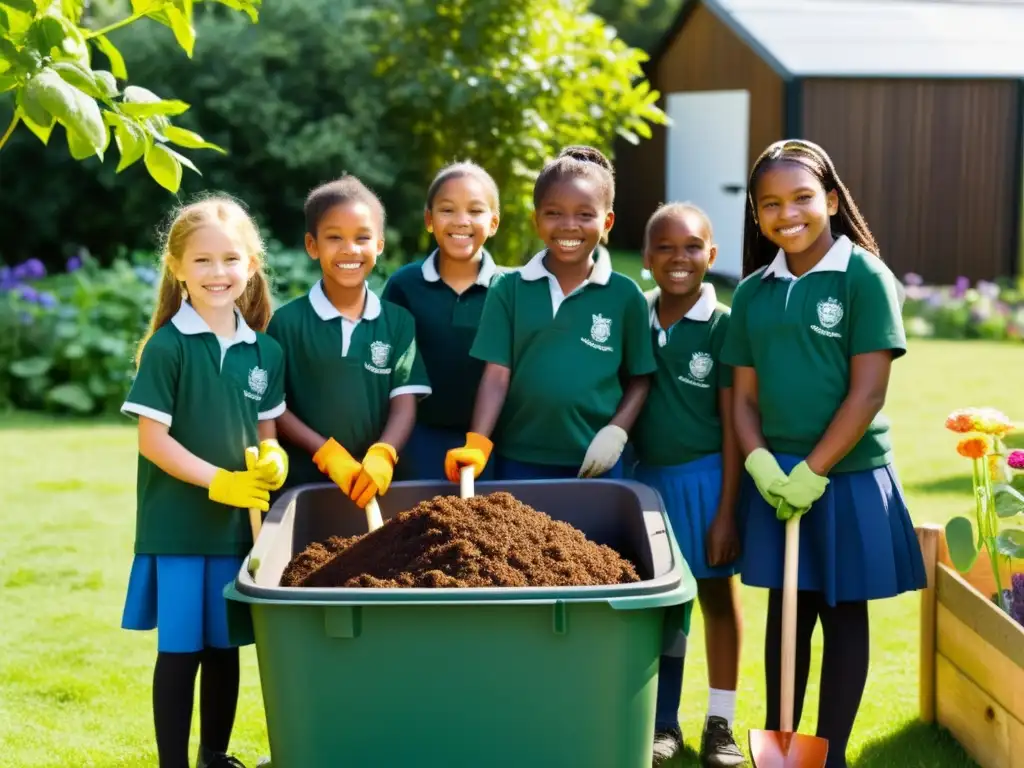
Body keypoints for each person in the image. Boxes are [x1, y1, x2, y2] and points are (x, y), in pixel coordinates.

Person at [721, 139, 927, 768]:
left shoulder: (863, 274)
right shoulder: (753, 292)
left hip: (846, 477)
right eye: (771, 204)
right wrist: (760, 463)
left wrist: (812, 472)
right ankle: (785, 746)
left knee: (841, 611)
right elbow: (743, 400)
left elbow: (867, 393)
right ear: (756, 216)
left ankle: (829, 755)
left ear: (832, 201)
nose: (789, 214)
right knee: (789, 608)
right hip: (776, 476)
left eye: (804, 198)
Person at [120, 196, 288, 768]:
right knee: (181, 651)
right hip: (179, 527)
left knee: (224, 649)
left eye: (230, 260)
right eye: (203, 262)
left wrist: (272, 461)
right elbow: (153, 441)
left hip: (237, 530)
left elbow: (267, 430)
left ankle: (215, 758)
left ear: (251, 265)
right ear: (177, 268)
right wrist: (220, 482)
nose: (218, 273)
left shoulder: (265, 350)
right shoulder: (167, 347)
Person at [444, 145, 656, 483]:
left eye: (585, 215)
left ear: (607, 222)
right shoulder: (508, 289)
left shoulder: (625, 295)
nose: (568, 226)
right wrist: (479, 441)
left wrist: (615, 434)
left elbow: (640, 379)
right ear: (536, 218)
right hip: (518, 460)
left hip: (595, 465)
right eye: (554, 213)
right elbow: (496, 375)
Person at [631, 203, 745, 767]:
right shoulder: (634, 314)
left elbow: (732, 425)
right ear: (647, 256)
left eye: (693, 247)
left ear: (712, 255)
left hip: (707, 482)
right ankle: (662, 722)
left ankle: (720, 722)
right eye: (666, 248)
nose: (680, 259)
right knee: (662, 608)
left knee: (717, 597)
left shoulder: (724, 326)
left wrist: (726, 509)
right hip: (645, 485)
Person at [267, 175, 431, 509]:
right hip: (305, 489)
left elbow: (404, 402)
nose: (350, 249)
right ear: (312, 245)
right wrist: (326, 454)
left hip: (380, 488)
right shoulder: (286, 323)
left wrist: (384, 453)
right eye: (334, 237)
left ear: (379, 245)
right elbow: (273, 406)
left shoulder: (398, 322)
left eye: (362, 238)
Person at [382, 162, 502, 481]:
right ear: (429, 220)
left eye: (475, 211)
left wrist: (480, 440)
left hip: (489, 441)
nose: (461, 221)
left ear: (493, 223)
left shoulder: (509, 289)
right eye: (447, 210)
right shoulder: (404, 285)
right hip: (418, 438)